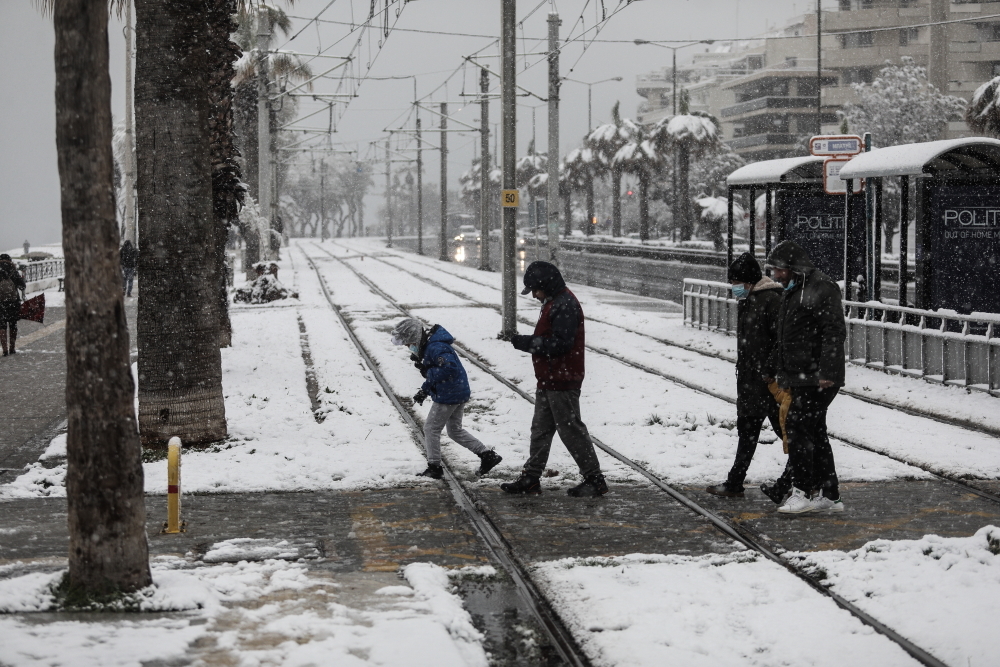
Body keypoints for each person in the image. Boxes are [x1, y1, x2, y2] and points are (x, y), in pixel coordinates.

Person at [500, 261, 608, 497]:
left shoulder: (565, 304)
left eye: (535, 290)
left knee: (571, 430)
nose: (535, 295)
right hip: (549, 378)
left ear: (545, 286)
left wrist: (527, 343)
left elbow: (561, 344)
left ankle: (595, 479)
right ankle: (531, 478)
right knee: (540, 429)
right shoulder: (554, 302)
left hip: (562, 379)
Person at [763, 240, 847, 514]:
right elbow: (788, 335)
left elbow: (833, 331)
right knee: (816, 433)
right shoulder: (795, 289)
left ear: (793, 267)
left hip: (815, 378)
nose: (775, 275)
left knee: (801, 434)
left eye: (778, 270)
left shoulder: (820, 287)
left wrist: (827, 373)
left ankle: (803, 492)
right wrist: (776, 367)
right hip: (800, 376)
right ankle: (830, 495)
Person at [706, 252, 788, 499]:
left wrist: (768, 370)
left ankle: (805, 480)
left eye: (736, 283)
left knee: (788, 433)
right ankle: (735, 482)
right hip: (751, 381)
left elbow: (781, 340)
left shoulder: (771, 300)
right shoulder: (750, 300)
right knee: (748, 431)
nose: (734, 288)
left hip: (768, 383)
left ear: (750, 281)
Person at [391, 318, 502, 480]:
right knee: (455, 431)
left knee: (430, 429)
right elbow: (437, 373)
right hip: (457, 391)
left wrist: (427, 371)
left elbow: (449, 368)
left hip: (449, 395)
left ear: (414, 338)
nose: (409, 347)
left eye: (408, 343)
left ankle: (434, 467)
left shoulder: (436, 347)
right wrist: (424, 390)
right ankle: (487, 455)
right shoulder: (430, 346)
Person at [0, 254, 26, 357]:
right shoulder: (13, 271)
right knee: (12, 324)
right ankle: (12, 348)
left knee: (1, 325)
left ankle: (4, 349)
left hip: (0, 302)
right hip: (13, 302)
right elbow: (22, 286)